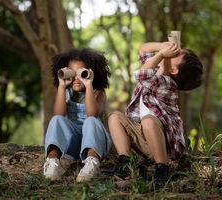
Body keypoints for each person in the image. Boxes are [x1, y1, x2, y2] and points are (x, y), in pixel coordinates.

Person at [106, 41, 203, 188]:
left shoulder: (167, 83)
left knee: (148, 121)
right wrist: (161, 46)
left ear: (174, 70)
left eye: (176, 53)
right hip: (146, 140)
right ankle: (124, 161)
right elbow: (142, 49)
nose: (172, 51)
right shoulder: (156, 68)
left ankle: (162, 168)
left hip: (163, 145)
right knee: (115, 117)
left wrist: (161, 54)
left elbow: (142, 75)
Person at [43, 48, 112, 182]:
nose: (76, 78)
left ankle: (92, 162)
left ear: (90, 73)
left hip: (94, 143)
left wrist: (89, 85)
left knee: (91, 121)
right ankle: (52, 161)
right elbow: (59, 113)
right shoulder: (67, 92)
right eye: (72, 72)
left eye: (81, 72)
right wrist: (62, 86)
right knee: (56, 119)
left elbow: (92, 113)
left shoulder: (98, 93)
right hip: (73, 142)